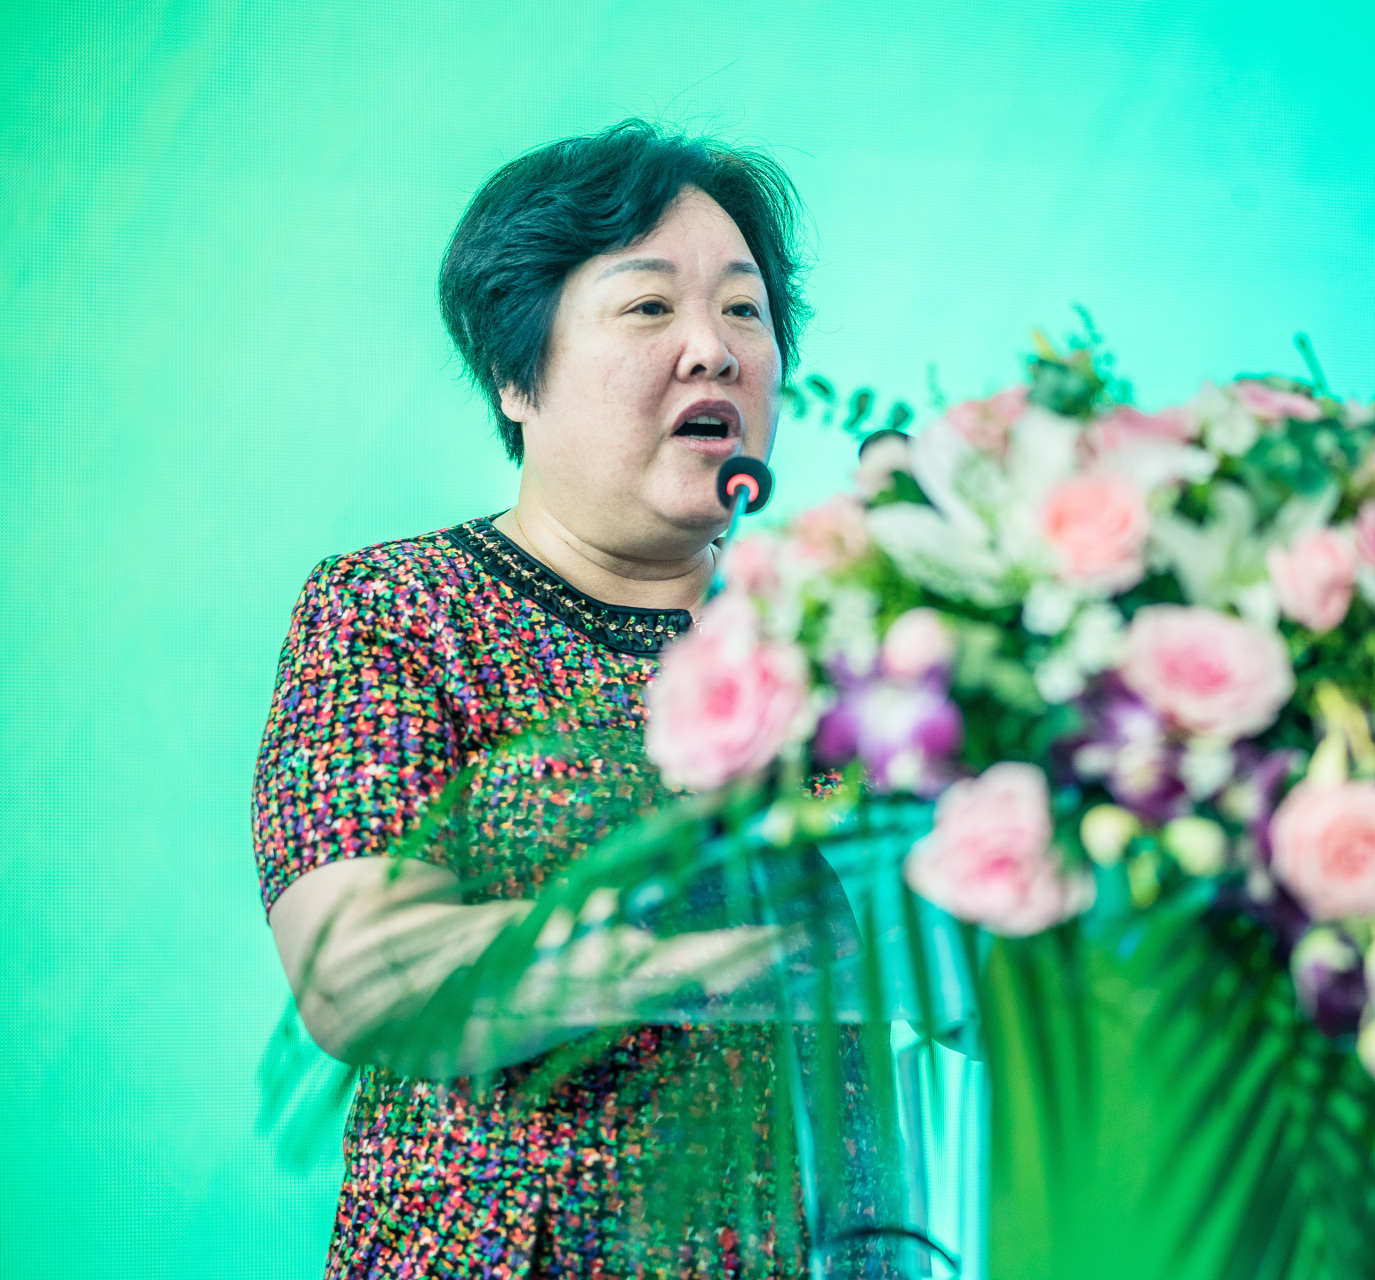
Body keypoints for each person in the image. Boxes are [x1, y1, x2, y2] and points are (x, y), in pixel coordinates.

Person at [253, 120, 899, 1279]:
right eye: (649, 306)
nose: (713, 349)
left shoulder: (852, 647)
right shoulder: (402, 607)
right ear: (517, 376)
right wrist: (711, 951)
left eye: (745, 310)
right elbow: (362, 972)